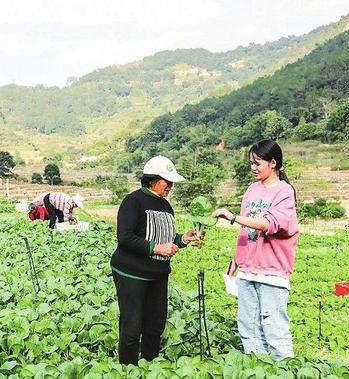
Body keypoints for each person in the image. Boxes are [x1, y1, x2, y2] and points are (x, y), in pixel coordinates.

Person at [212, 140, 299, 361]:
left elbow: (268, 224)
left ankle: (285, 371)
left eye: (257, 163)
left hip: (271, 272)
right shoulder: (251, 190)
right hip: (248, 270)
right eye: (251, 162)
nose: (253, 167)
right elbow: (245, 229)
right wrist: (236, 261)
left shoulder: (284, 192)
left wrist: (231, 216)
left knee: (274, 327)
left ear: (273, 163)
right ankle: (258, 368)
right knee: (248, 326)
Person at [110, 155, 201, 365]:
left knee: (154, 326)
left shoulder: (166, 207)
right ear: (152, 179)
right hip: (131, 273)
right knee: (132, 329)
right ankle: (128, 369)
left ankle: (150, 368)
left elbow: (167, 237)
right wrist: (156, 248)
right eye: (166, 181)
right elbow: (125, 237)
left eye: (171, 183)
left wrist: (183, 239)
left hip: (158, 275)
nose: (169, 186)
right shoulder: (133, 201)